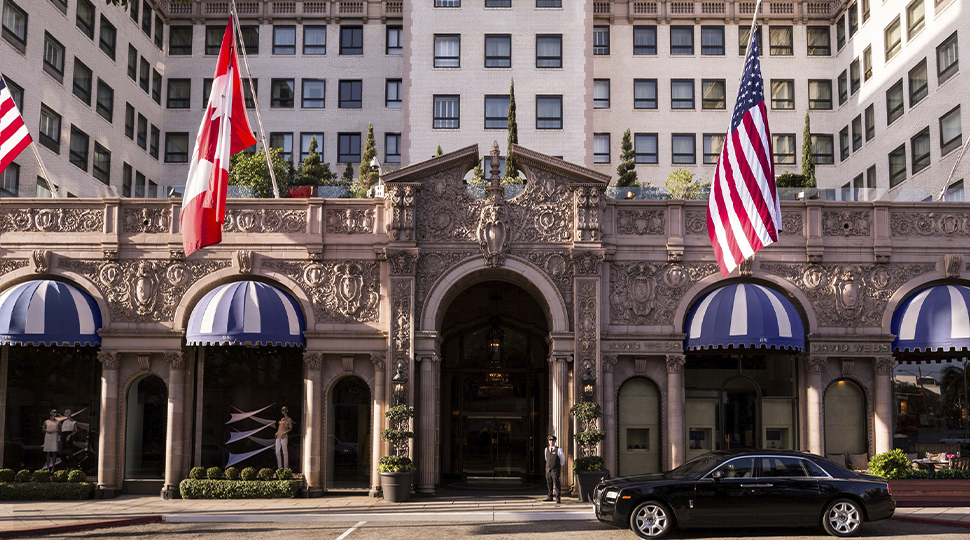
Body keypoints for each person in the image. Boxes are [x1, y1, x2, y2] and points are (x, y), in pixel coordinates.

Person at [544, 434, 565, 503]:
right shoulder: (546, 449)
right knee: (549, 483)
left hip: (555, 469)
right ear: (548, 441)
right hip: (548, 469)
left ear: (555, 441)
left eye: (553, 441)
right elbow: (546, 458)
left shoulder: (558, 450)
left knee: (556, 483)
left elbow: (562, 459)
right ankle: (550, 496)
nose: (551, 442)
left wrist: (559, 465)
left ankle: (558, 497)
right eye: (550, 441)